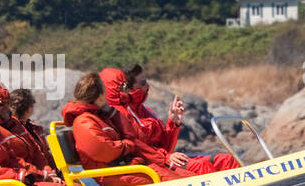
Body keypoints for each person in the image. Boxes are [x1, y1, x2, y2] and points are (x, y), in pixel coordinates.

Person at [60, 72, 192, 186]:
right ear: (100, 96)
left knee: (184, 177)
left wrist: (114, 114)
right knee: (176, 182)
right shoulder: (84, 122)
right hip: (114, 173)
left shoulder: (100, 117)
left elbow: (130, 135)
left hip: (128, 166)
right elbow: (106, 151)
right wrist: (128, 145)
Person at [101, 65, 240, 174]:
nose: (147, 85)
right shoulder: (121, 115)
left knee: (226, 160)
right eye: (143, 82)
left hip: (164, 161)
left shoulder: (144, 110)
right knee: (203, 165)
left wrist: (174, 122)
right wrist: (167, 158)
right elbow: (137, 148)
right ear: (130, 87)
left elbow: (166, 147)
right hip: (154, 165)